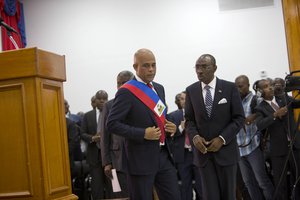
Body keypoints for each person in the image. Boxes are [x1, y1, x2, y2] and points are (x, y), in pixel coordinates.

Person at [107, 48, 181, 200]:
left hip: (163, 156)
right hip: (139, 159)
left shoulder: (159, 88)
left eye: (154, 65)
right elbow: (112, 124)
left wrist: (170, 127)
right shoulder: (126, 91)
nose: (151, 69)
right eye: (146, 65)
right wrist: (142, 133)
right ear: (135, 67)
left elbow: (160, 117)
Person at [185, 54, 245, 199]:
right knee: (210, 196)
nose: (199, 71)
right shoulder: (191, 90)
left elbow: (239, 118)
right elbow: (189, 120)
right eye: (197, 67)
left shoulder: (229, 88)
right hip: (203, 155)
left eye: (204, 67)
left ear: (215, 68)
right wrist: (195, 137)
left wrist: (222, 138)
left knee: (228, 195)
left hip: (226, 153)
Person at [255, 79, 300, 200]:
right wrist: (274, 115)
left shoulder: (284, 99)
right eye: (265, 86)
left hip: (295, 146)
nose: (270, 88)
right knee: (281, 183)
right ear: (259, 91)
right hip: (279, 151)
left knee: (298, 178)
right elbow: (259, 125)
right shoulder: (260, 108)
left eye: (270, 85)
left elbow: (298, 103)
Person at [235, 75, 274, 200]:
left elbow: (267, 110)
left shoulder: (255, 99)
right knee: (248, 183)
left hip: (253, 147)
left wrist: (255, 115)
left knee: (262, 181)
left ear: (247, 85)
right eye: (236, 87)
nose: (238, 89)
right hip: (239, 150)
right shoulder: (234, 102)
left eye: (241, 86)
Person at [100, 70, 134, 198]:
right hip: (115, 161)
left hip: (137, 158)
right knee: (118, 195)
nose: (120, 86)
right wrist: (106, 162)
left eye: (124, 83)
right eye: (118, 83)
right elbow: (104, 136)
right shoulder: (109, 106)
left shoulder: (140, 102)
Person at [169, 91, 203, 200]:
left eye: (187, 98)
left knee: (201, 185)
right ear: (179, 101)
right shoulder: (173, 116)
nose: (185, 101)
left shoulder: (199, 114)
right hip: (182, 156)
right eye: (182, 99)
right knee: (185, 185)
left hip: (198, 154)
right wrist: (180, 128)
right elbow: (170, 136)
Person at [81, 90, 108, 199]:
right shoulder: (88, 115)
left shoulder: (112, 112)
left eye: (104, 98)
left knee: (113, 185)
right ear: (94, 100)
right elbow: (82, 133)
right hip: (94, 157)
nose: (102, 101)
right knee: (96, 187)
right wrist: (92, 138)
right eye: (99, 98)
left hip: (110, 157)